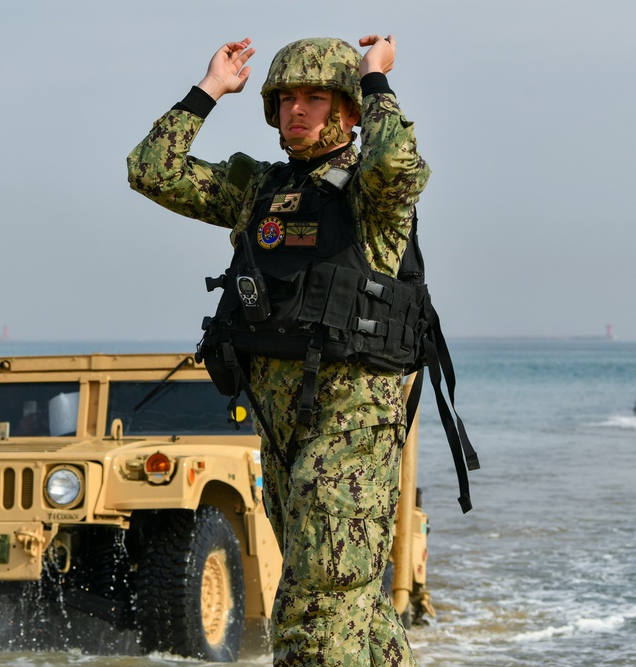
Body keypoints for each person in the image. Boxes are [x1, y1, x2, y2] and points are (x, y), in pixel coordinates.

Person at [127, 35, 429, 667]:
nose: (298, 110)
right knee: (351, 604)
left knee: (315, 607)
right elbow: (150, 169)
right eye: (287, 98)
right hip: (281, 424)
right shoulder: (257, 190)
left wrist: (375, 78)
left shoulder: (371, 193)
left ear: (348, 111)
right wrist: (209, 90)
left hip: (351, 422)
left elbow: (399, 162)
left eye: (317, 98)